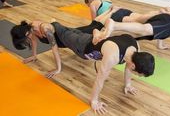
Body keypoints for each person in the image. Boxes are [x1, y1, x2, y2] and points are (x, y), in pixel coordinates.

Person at [11, 20, 155, 115]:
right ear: (134, 65)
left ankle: (60, 27)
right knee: (65, 34)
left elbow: (128, 67)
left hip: (87, 39)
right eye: (138, 74)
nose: (137, 75)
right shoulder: (113, 56)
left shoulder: (136, 47)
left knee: (71, 31)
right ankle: (58, 27)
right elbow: (99, 80)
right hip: (81, 46)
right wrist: (94, 101)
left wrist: (128, 84)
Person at [94, 0, 170, 61]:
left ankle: (103, 34)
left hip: (160, 17)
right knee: (142, 30)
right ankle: (114, 25)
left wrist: (160, 44)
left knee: (135, 33)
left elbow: (163, 16)